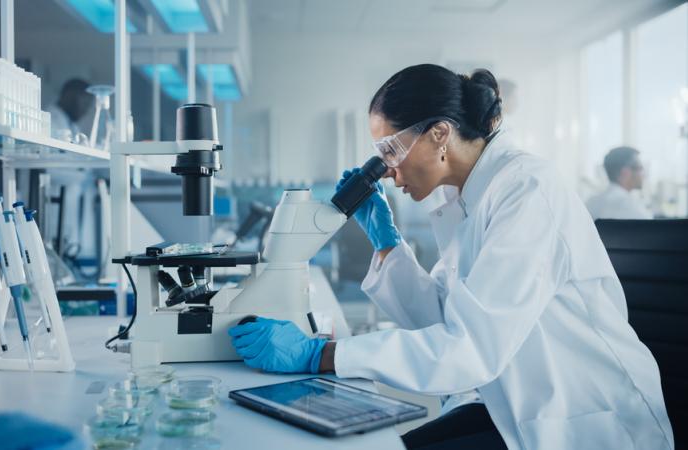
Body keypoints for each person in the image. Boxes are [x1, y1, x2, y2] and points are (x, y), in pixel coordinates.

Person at [228, 64, 673, 450]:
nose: (389, 170)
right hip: (512, 406)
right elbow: (441, 319)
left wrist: (322, 354)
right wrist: (386, 243)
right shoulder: (462, 198)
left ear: (439, 133)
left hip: (586, 422)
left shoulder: (525, 190)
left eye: (391, 151)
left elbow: (468, 349)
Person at [586, 146, 653, 220]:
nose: (644, 175)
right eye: (640, 168)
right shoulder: (631, 206)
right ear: (625, 172)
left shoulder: (591, 203)